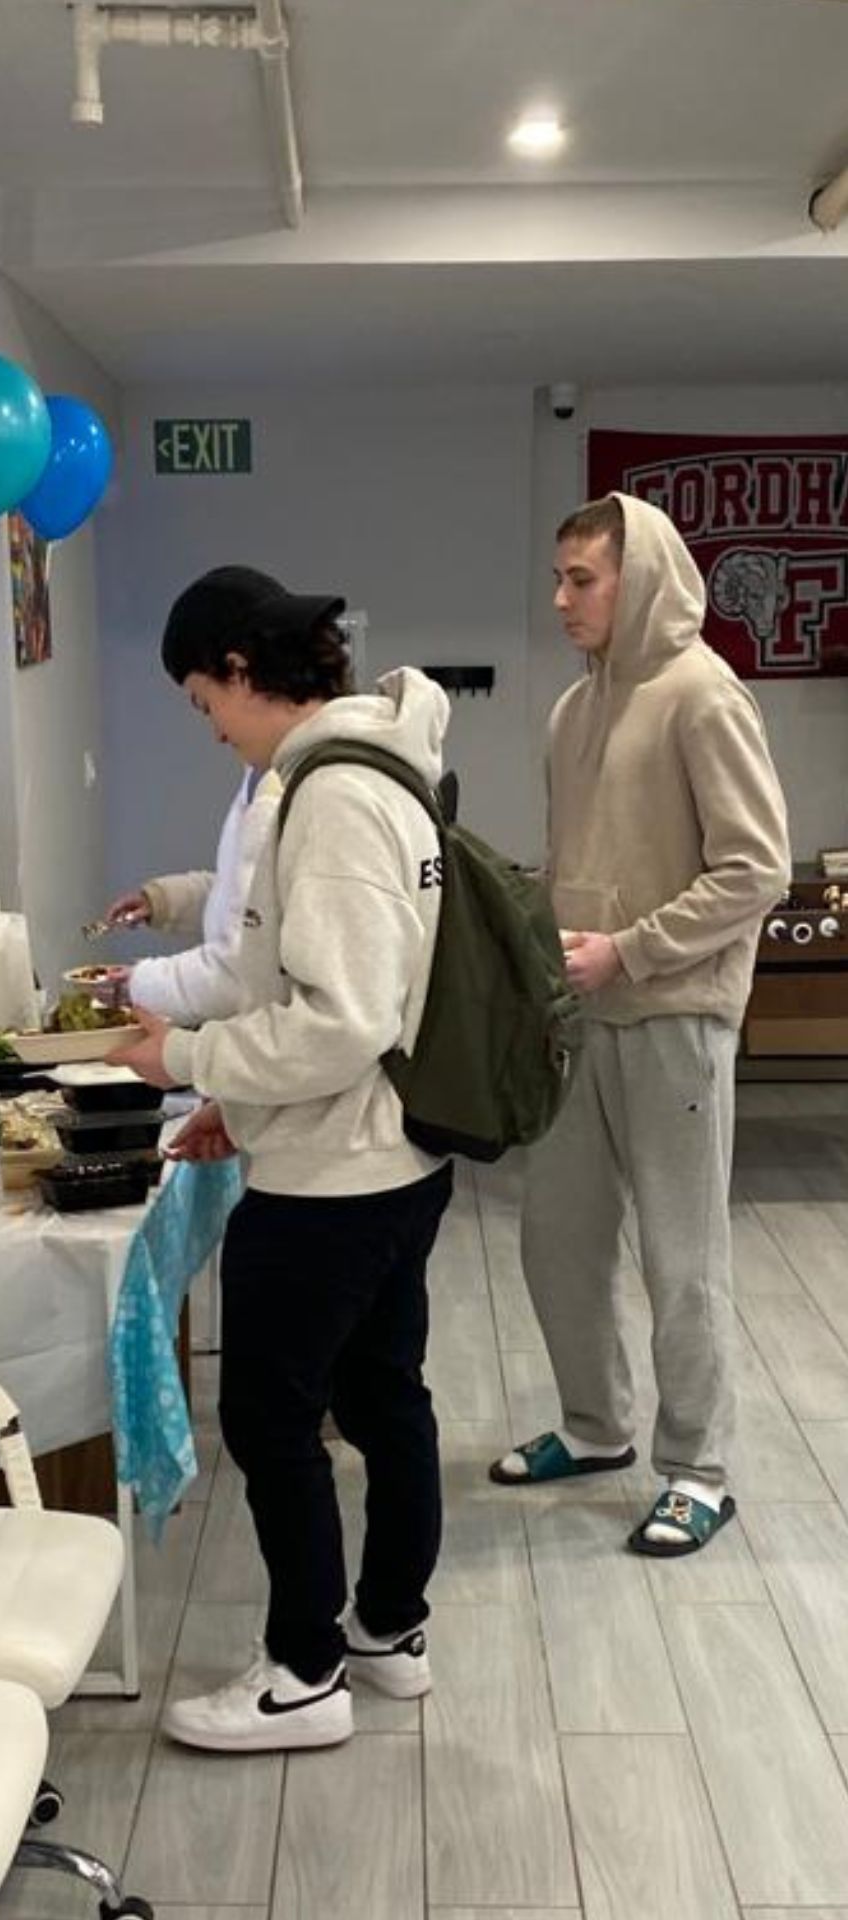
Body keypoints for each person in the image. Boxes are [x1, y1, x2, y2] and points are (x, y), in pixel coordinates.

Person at [110, 564, 454, 1752]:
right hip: (380, 1155)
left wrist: (196, 1059)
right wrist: (232, 1100)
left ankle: (304, 1671)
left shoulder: (331, 794)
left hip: (337, 1176)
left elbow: (343, 1017)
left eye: (206, 699)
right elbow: (303, 980)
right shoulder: (366, 770)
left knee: (270, 1416)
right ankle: (388, 1633)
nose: (209, 726)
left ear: (246, 673)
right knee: (380, 1395)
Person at [490, 493, 790, 1557]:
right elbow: (577, 865)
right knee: (557, 1243)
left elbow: (756, 869)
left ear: (641, 579)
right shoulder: (574, 712)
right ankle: (595, 1424)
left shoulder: (704, 697)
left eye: (583, 579)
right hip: (582, 1020)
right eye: (559, 578)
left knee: (682, 1257)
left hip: (675, 1018)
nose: (562, 598)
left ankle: (699, 1470)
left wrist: (635, 948)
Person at [103, 764, 281, 1024]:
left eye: (211, 719)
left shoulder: (279, 793)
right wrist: (163, 901)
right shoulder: (257, 777)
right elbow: (240, 896)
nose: (217, 734)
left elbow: (237, 970)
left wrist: (139, 985)